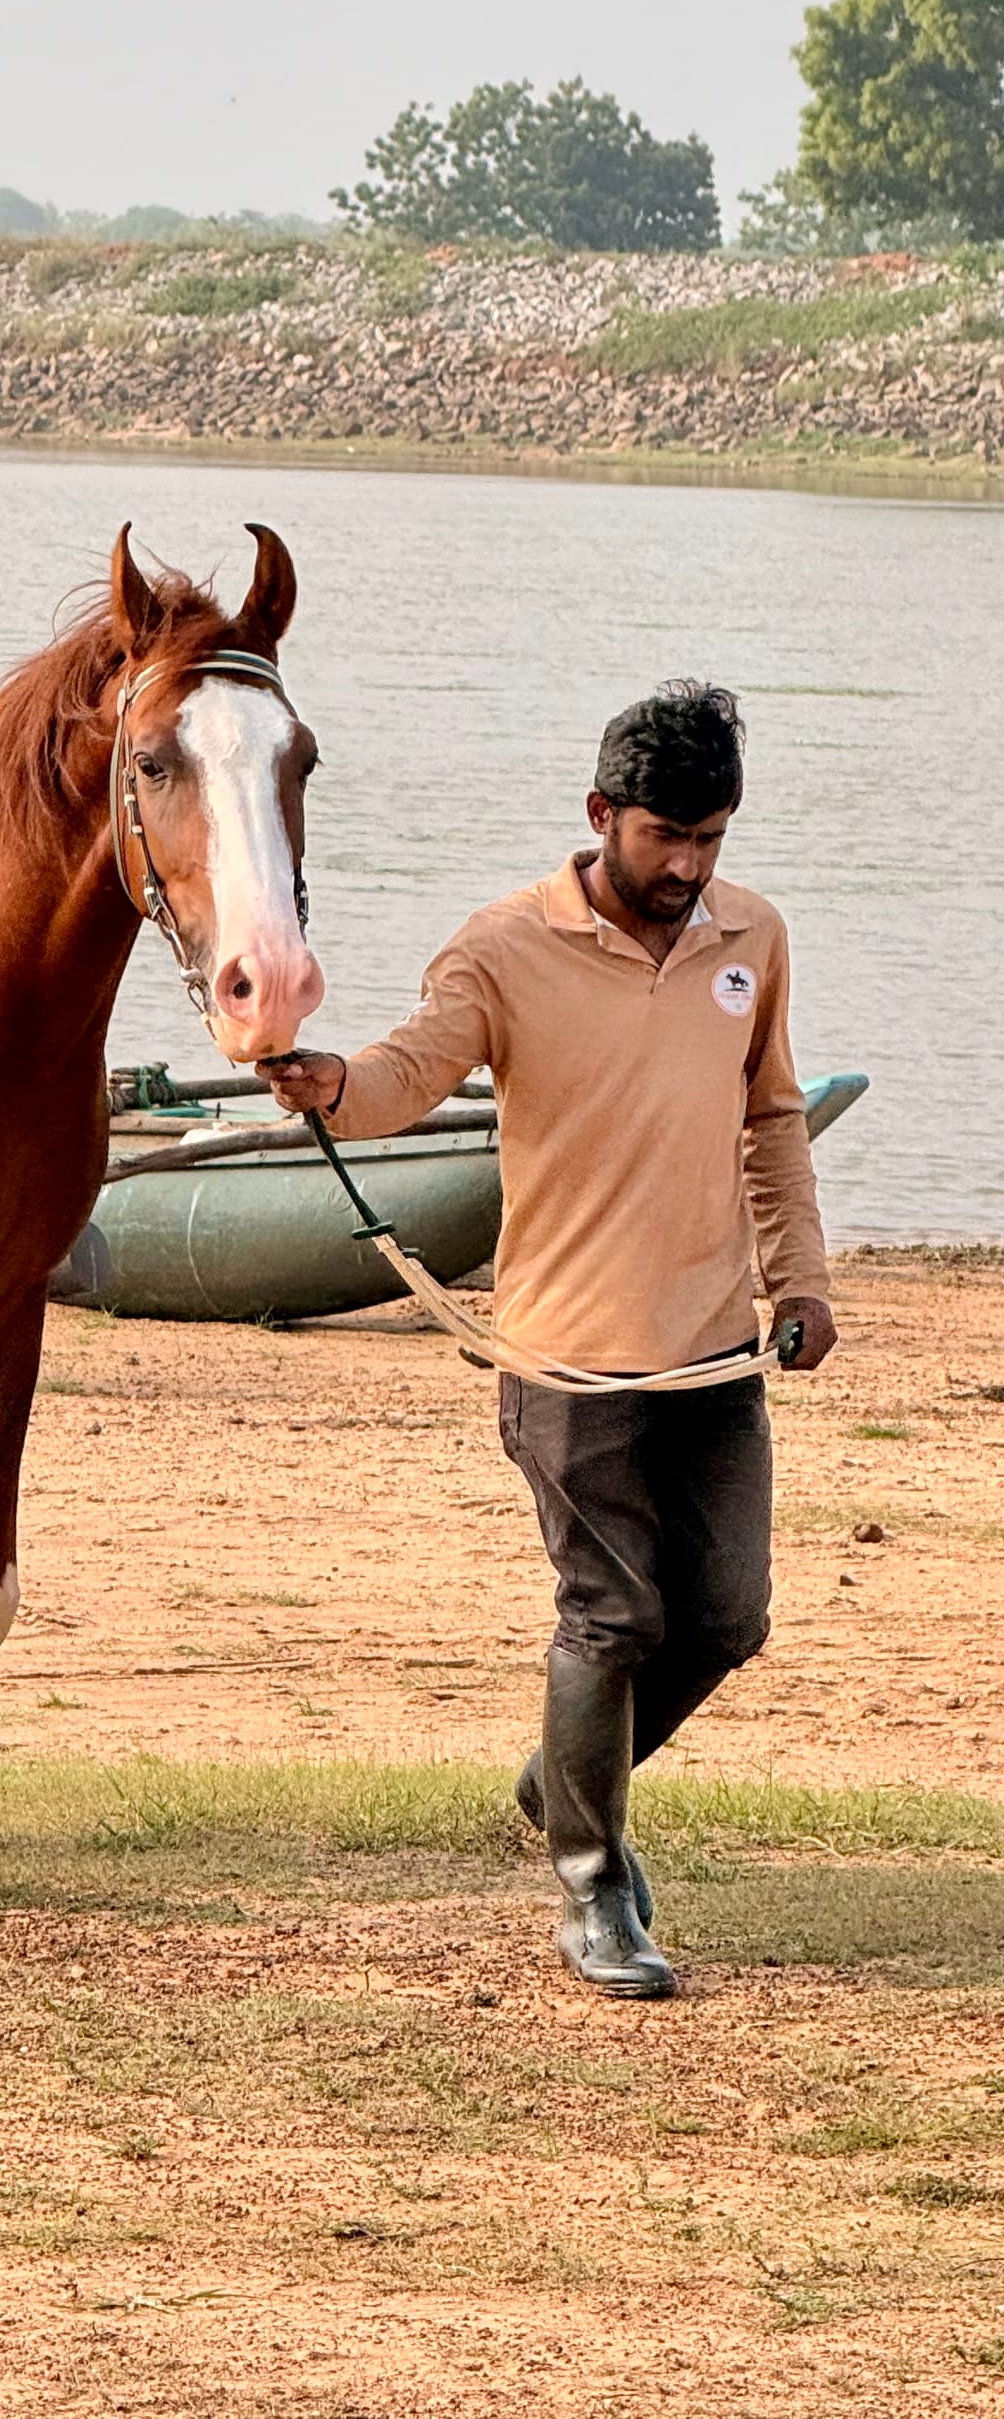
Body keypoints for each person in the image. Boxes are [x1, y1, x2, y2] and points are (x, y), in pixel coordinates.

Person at [261, 682, 835, 2000]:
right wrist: (335, 1085)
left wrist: (800, 1284)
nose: (688, 867)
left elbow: (772, 1120)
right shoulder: (504, 948)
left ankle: (560, 1778)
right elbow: (410, 1071)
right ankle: (593, 1886)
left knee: (728, 1617)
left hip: (711, 1350)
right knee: (615, 1613)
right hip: (570, 1359)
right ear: (600, 815)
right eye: (663, 839)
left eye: (711, 837)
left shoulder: (752, 935)